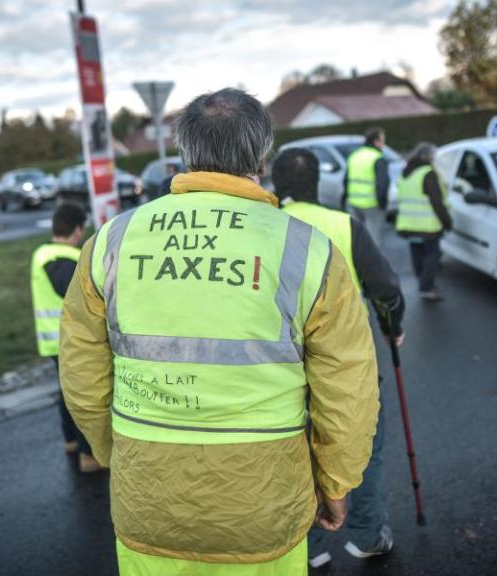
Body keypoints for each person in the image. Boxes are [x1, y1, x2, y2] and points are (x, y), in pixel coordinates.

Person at [60, 88, 379, 575]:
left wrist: (118, 453)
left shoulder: (111, 242)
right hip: (264, 509)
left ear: (186, 153)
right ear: (261, 154)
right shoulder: (306, 247)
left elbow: (82, 376)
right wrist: (336, 483)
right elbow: (348, 389)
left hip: (148, 503)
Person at [273, 148, 404, 568]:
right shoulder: (345, 225)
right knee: (363, 448)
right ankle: (367, 535)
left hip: (283, 365)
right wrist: (392, 327)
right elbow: (385, 288)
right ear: (317, 184)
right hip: (346, 364)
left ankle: (308, 547)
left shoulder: (265, 227)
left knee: (297, 453)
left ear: (276, 184)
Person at [29, 203, 99, 473]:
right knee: (81, 395)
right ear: (78, 229)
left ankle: (70, 441)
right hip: (68, 340)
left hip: (53, 339)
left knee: (66, 391)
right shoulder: (60, 258)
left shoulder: (42, 253)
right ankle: (88, 455)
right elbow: (72, 291)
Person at [392, 142, 452, 301]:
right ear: (427, 156)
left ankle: (423, 282)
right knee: (433, 255)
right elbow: (437, 202)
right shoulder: (428, 173)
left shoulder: (405, 173)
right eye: (433, 155)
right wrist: (447, 222)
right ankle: (426, 287)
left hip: (408, 224)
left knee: (417, 253)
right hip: (428, 226)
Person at [343, 127, 390, 245]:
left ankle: (357, 263)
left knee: (356, 239)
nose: (384, 143)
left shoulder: (354, 156)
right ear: (376, 141)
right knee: (374, 241)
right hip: (372, 205)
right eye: (383, 140)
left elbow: (345, 181)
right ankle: (374, 263)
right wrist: (383, 205)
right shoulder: (377, 158)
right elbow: (382, 185)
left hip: (353, 203)